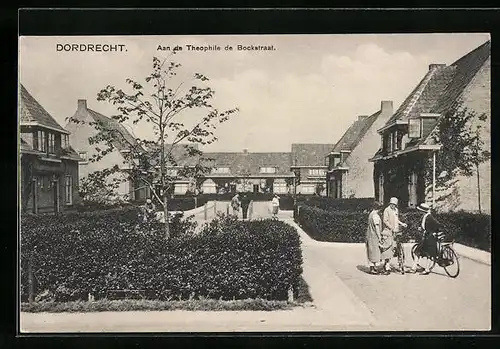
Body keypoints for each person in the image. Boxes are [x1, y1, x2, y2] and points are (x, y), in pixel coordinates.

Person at [410, 203, 443, 275]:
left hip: (429, 238)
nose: (420, 212)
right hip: (426, 237)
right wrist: (421, 229)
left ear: (423, 211)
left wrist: (433, 232)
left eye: (420, 211)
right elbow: (424, 226)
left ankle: (422, 269)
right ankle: (415, 268)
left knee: (424, 253)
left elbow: (438, 224)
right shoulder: (425, 216)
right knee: (419, 252)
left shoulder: (429, 217)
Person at [380, 197, 407, 274]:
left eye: (394, 205)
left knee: (395, 248)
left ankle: (399, 263)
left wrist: (402, 223)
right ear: (390, 204)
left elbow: (396, 219)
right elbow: (385, 221)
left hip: (396, 231)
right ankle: (387, 266)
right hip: (388, 232)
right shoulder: (387, 210)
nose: (393, 206)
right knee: (388, 248)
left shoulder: (396, 210)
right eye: (392, 204)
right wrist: (392, 228)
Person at [366, 201, 383, 274]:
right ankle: (373, 269)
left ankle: (373, 267)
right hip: (374, 236)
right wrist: (379, 237)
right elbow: (377, 227)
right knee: (375, 252)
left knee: (371, 251)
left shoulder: (371, 214)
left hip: (370, 235)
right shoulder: (375, 215)